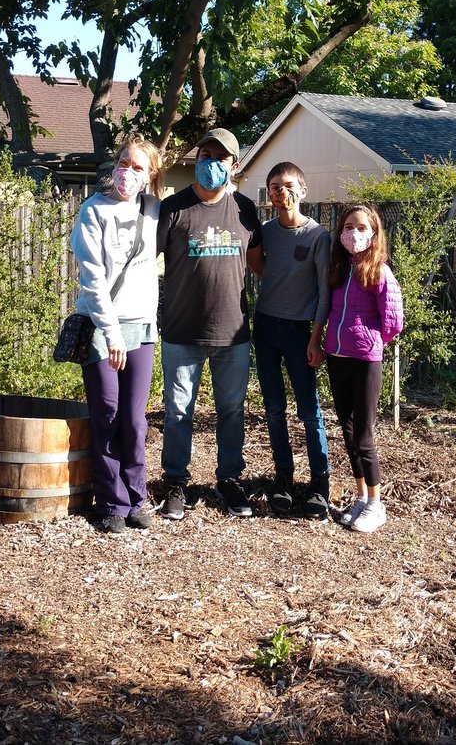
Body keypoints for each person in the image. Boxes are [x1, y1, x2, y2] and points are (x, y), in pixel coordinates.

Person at [157, 128, 263, 520]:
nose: (211, 163)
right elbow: (143, 259)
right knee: (178, 412)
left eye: (220, 158)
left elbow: (260, 264)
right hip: (181, 331)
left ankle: (229, 480)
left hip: (233, 332)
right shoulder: (174, 207)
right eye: (205, 155)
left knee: (231, 411)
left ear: (234, 165)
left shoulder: (245, 209)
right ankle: (175, 482)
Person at [68, 135, 163, 534]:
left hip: (142, 327)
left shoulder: (155, 209)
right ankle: (111, 502)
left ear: (150, 175)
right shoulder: (93, 210)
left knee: (134, 420)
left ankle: (137, 497)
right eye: (124, 163)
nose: (128, 172)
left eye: (138, 167)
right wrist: (111, 335)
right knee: (106, 414)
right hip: (102, 328)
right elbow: (92, 281)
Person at [253, 161, 332, 518]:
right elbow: (259, 266)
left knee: (309, 411)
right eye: (274, 187)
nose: (281, 192)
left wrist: (317, 337)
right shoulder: (265, 232)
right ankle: (283, 477)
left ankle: (319, 483)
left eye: (287, 185)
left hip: (301, 331)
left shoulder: (318, 236)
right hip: (266, 326)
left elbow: (324, 291)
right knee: (273, 409)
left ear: (303, 190)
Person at [323, 204, 404, 534]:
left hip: (365, 360)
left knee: (364, 435)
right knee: (347, 430)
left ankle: (376, 504)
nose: (353, 233)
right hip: (336, 356)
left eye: (361, 228)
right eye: (348, 227)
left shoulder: (379, 271)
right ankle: (360, 497)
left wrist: (370, 341)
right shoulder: (339, 269)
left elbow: (393, 320)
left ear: (373, 234)